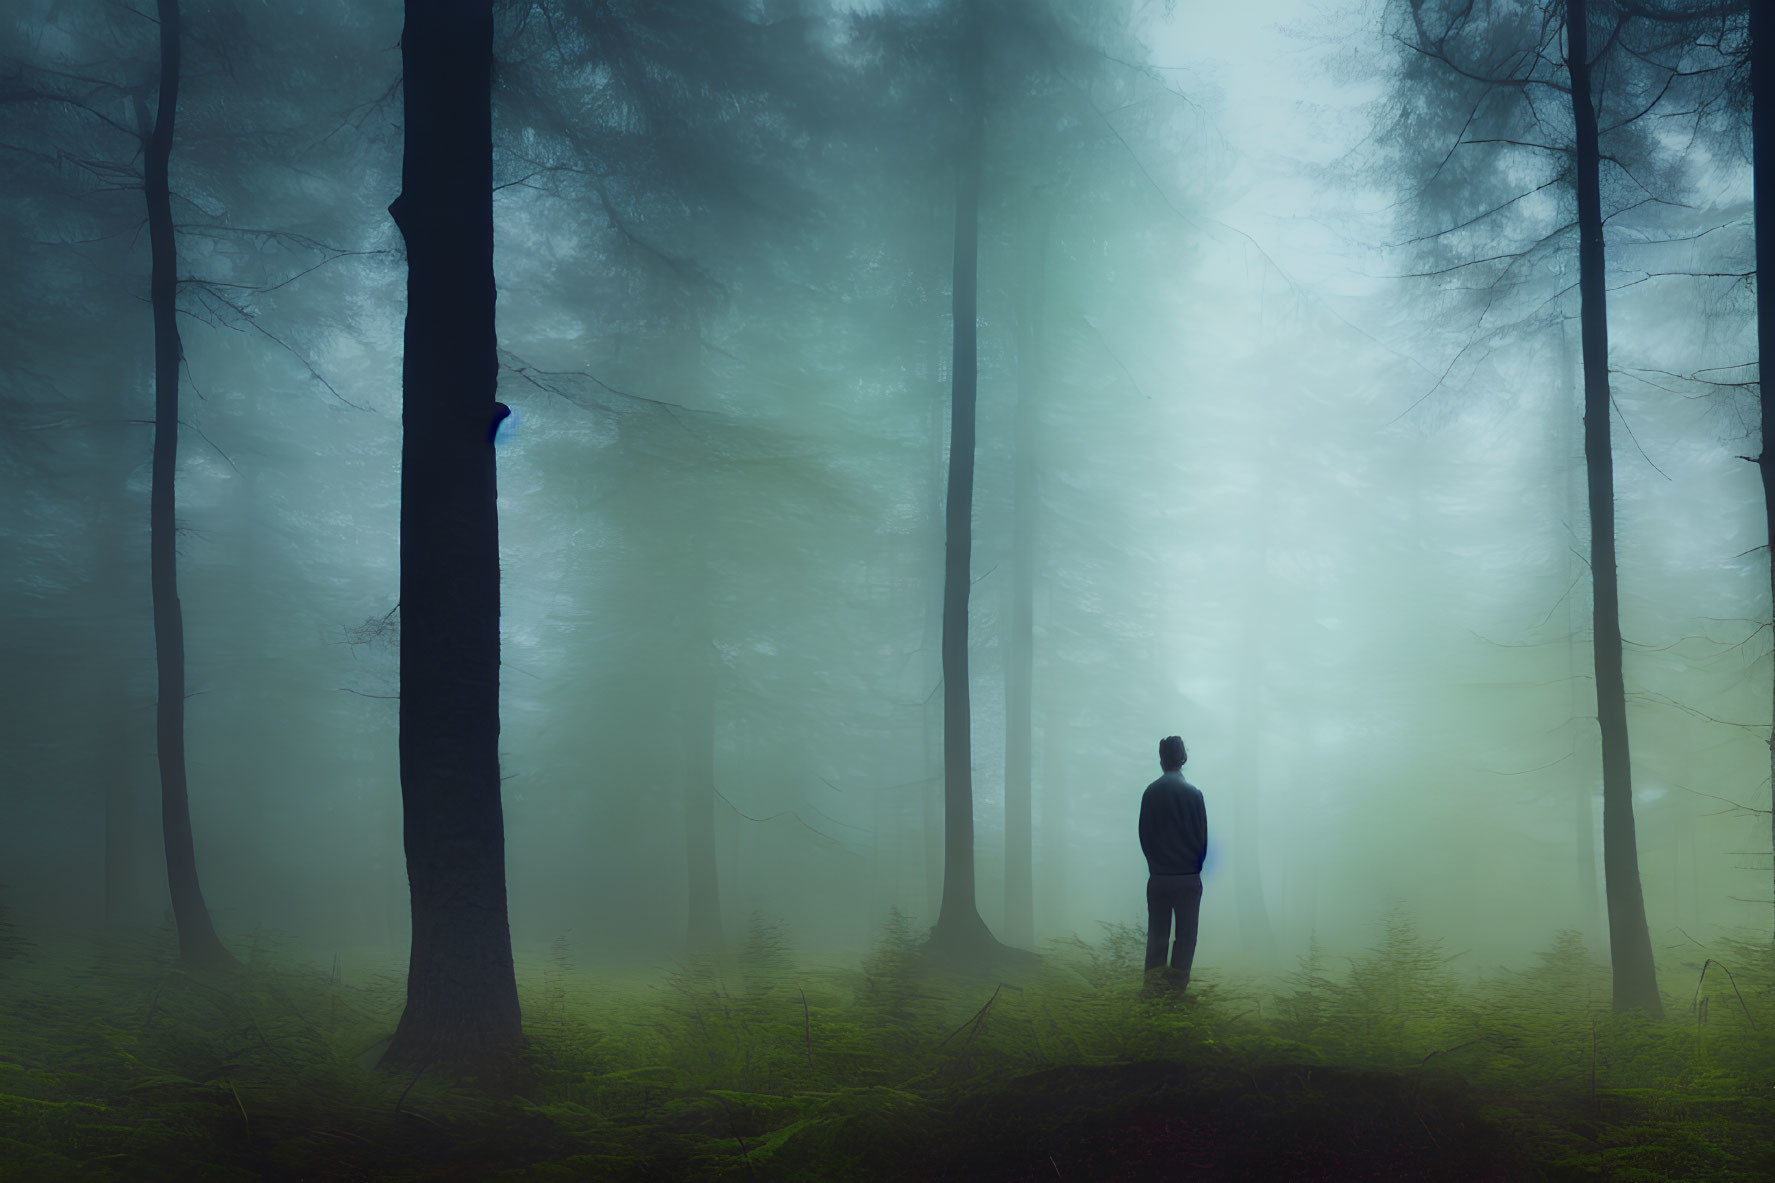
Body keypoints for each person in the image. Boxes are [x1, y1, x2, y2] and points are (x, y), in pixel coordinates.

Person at [1139, 734, 1207, 991]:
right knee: (1186, 939)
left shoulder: (1150, 793)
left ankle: (1152, 996)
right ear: (1183, 758)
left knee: (1157, 939)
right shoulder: (1194, 794)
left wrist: (1156, 866)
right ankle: (1177, 997)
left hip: (1159, 878)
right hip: (1188, 878)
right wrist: (1192, 867)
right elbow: (1202, 839)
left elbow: (1144, 836)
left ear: (1161, 759)